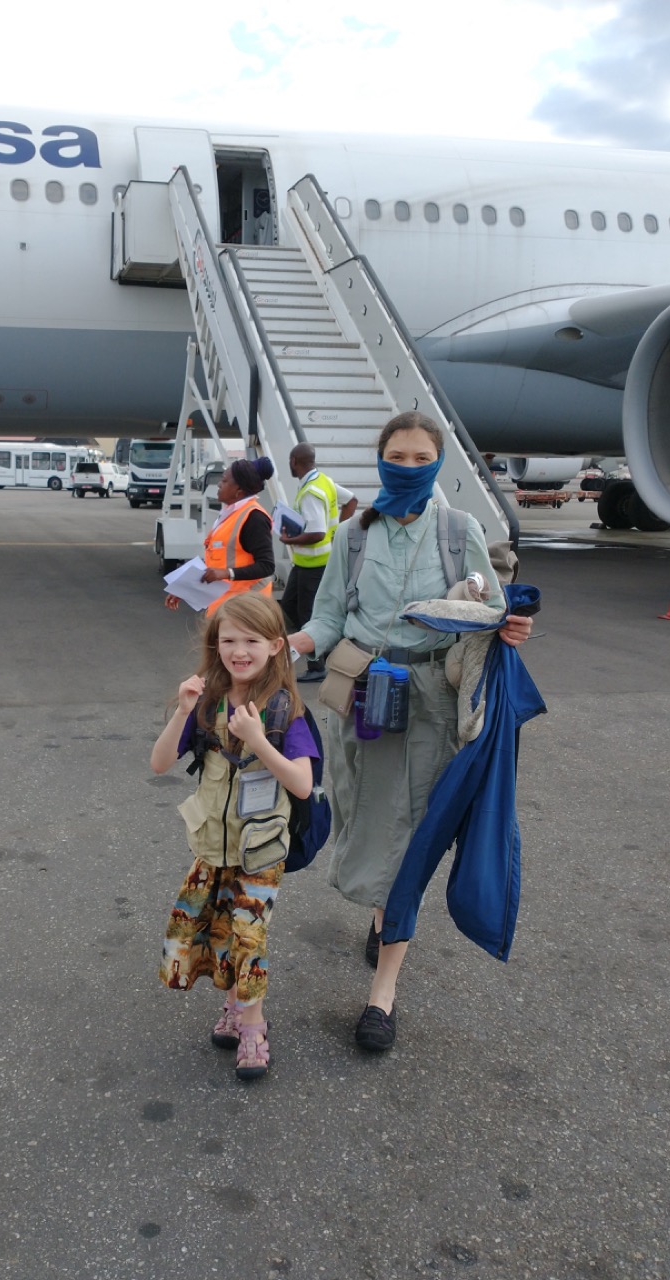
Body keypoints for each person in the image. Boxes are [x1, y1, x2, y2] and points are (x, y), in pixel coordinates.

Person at [288, 412, 532, 1052]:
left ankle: (383, 995)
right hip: (362, 697)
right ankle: (381, 913)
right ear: (380, 460)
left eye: (421, 457)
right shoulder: (352, 536)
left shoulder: (460, 530)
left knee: (411, 834)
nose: (408, 465)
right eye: (397, 455)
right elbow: (329, 617)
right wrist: (288, 644)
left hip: (430, 701)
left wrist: (510, 624)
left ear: (438, 462)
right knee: (367, 820)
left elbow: (489, 608)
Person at [151, 594, 318, 1081]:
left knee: (249, 937)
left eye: (251, 640)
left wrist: (260, 739)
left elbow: (302, 783)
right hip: (211, 847)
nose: (239, 651)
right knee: (217, 933)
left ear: (274, 646)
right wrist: (182, 712)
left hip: (260, 854)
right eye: (228, 640)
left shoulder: (285, 708)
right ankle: (232, 1006)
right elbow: (160, 764)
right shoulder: (206, 701)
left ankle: (253, 1027)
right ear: (214, 644)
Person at [279, 443, 357, 682]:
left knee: (308, 614)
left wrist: (289, 539)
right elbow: (352, 501)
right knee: (290, 605)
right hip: (307, 563)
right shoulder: (323, 481)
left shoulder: (312, 491)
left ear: (294, 461)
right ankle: (329, 650)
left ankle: (317, 666)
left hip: (314, 564)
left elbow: (317, 533)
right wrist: (339, 531)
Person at [164, 457, 276, 615]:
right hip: (225, 608)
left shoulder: (254, 518)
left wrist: (227, 573)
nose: (219, 484)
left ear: (239, 490)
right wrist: (185, 589)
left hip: (246, 611)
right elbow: (216, 560)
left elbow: (267, 566)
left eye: (224, 480)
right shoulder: (230, 513)